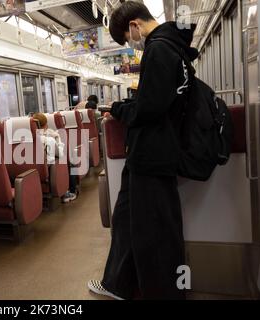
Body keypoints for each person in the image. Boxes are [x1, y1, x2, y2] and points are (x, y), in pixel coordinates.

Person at [88, 1, 198, 300]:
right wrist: (125, 107)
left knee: (157, 233)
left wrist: (121, 110)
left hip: (153, 153)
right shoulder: (171, 47)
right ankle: (117, 284)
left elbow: (151, 107)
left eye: (128, 37)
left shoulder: (159, 48)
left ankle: (169, 293)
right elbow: (156, 99)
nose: (132, 44)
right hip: (146, 153)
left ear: (135, 25)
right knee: (126, 219)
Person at [32, 113, 77, 203]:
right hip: (47, 171)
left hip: (31, 171)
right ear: (46, 124)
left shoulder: (26, 138)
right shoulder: (50, 138)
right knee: (69, 162)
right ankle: (69, 192)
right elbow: (60, 154)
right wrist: (59, 141)